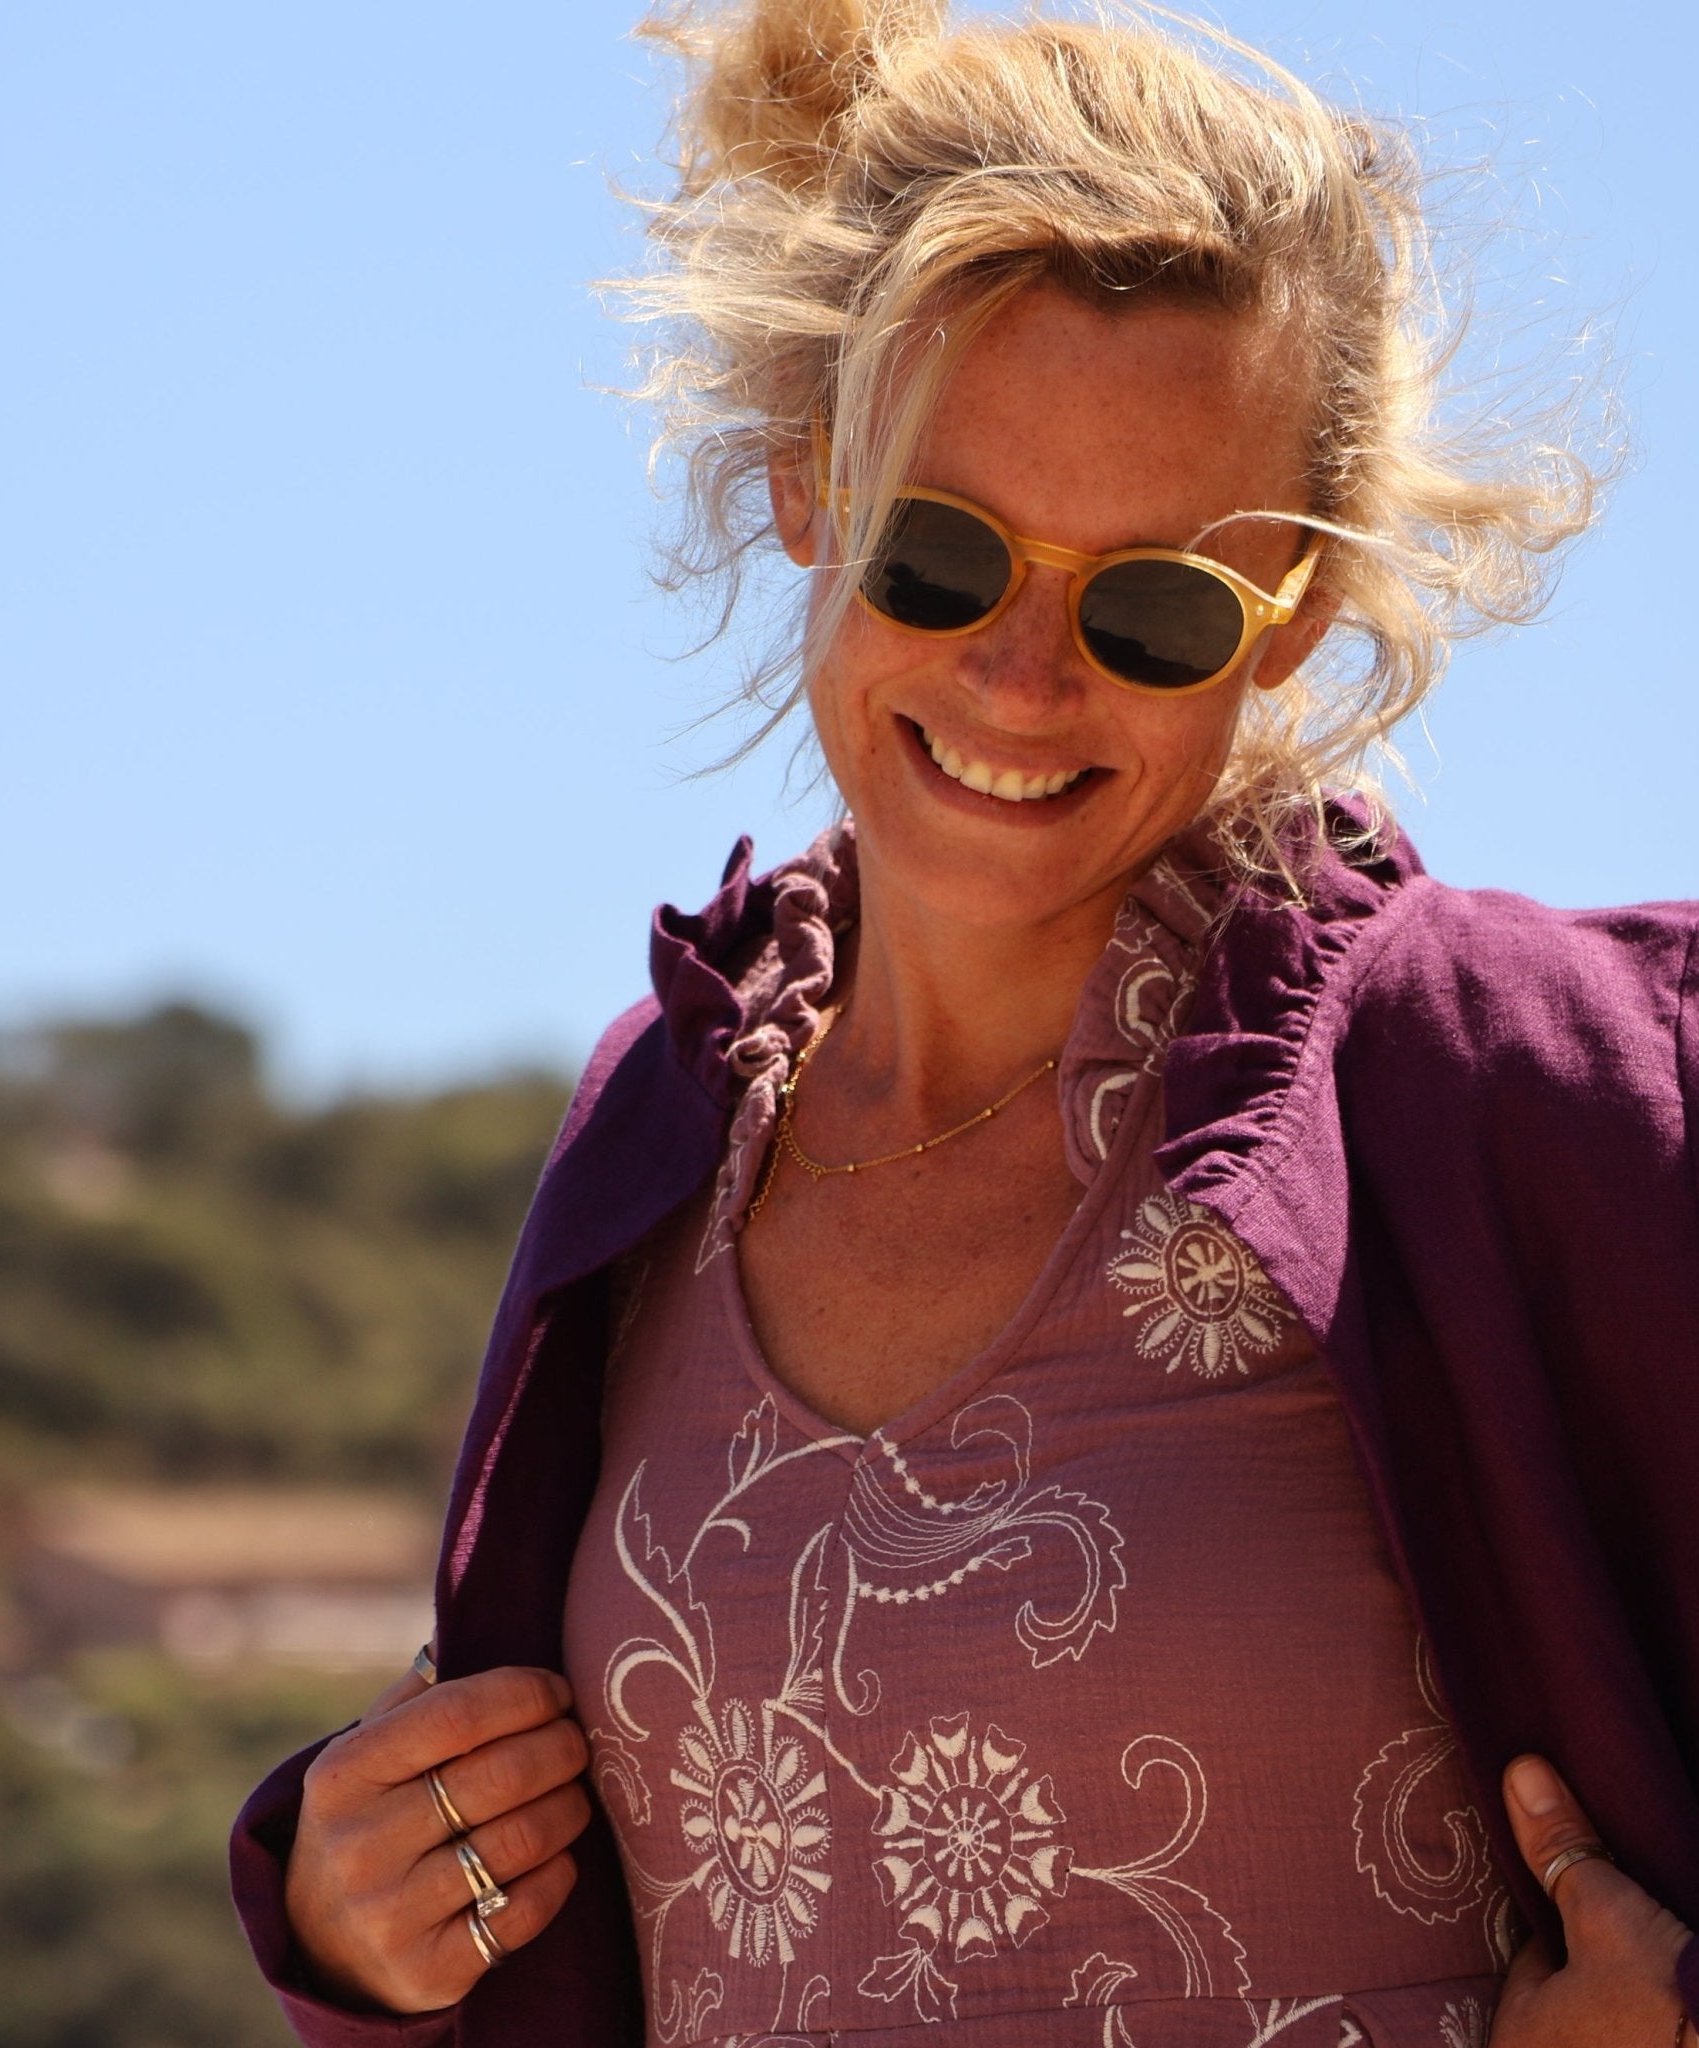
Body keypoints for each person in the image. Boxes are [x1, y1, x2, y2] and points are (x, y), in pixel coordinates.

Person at [230, 3, 1699, 2042]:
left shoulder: (1526, 1078)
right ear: (808, 482)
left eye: (1156, 602)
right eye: (940, 555)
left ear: (1291, 607)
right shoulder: (660, 1129)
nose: (1021, 678)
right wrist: (371, 1929)